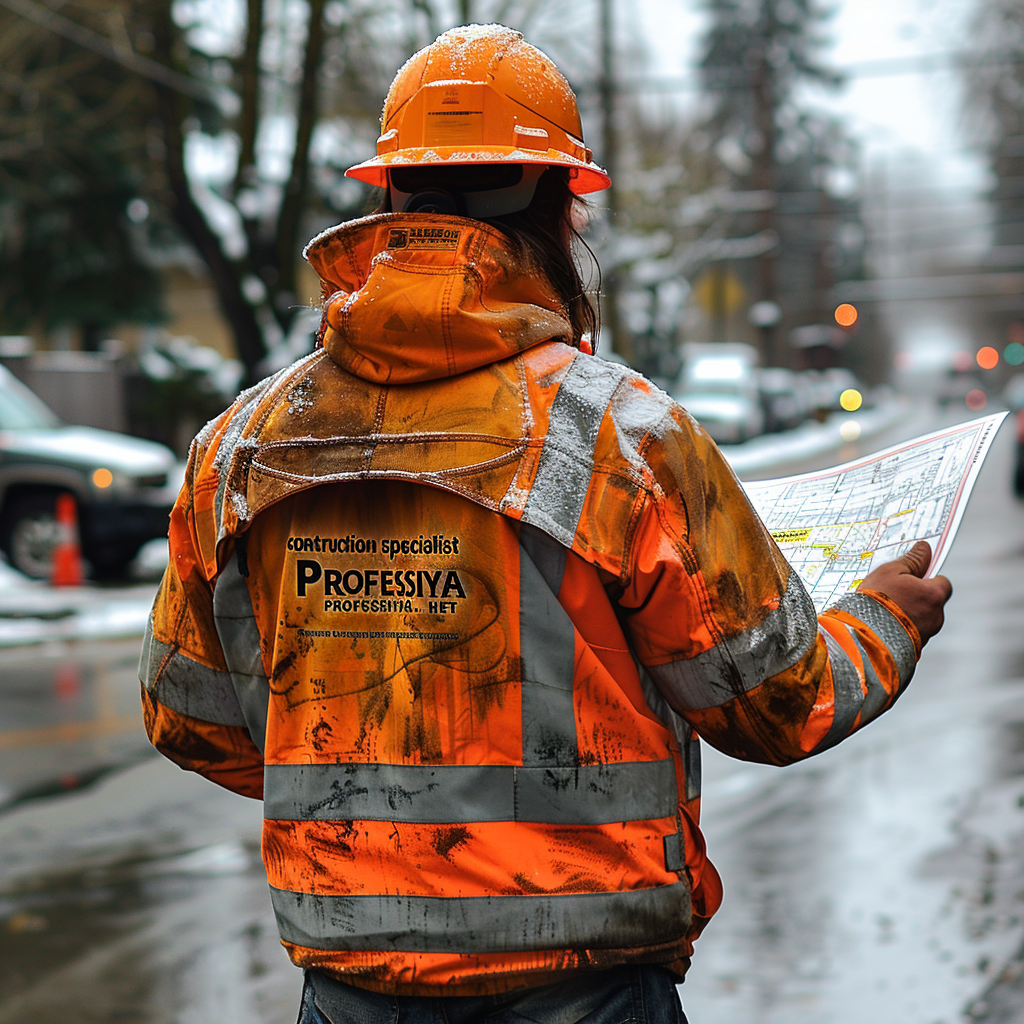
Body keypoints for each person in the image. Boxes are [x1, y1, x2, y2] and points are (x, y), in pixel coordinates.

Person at [140, 24, 952, 1024]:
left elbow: (189, 714)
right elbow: (772, 705)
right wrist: (884, 618)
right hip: (588, 991)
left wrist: (375, 800)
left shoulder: (243, 447)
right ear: (557, 205)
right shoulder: (627, 437)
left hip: (349, 993)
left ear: (388, 199)